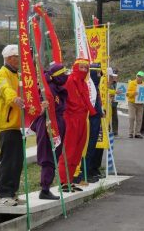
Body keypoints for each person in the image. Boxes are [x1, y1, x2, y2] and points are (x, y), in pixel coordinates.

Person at [0, 45, 25, 206]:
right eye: (18, 57)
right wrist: (14, 99)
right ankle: (3, 195)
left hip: (16, 125)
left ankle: (11, 193)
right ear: (10, 58)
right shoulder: (1, 74)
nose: (20, 60)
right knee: (9, 160)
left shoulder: (16, 75)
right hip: (6, 124)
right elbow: (6, 89)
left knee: (17, 160)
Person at [30, 63, 68, 200]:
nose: (66, 77)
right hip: (48, 124)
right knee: (48, 156)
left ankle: (47, 186)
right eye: (63, 74)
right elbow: (36, 107)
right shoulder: (46, 89)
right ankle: (45, 189)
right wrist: (42, 106)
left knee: (54, 155)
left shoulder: (58, 88)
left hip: (58, 122)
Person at [58, 59, 97, 192]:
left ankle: (70, 180)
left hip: (82, 119)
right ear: (75, 67)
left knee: (78, 151)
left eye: (86, 68)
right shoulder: (69, 81)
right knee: (69, 150)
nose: (84, 70)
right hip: (70, 119)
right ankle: (63, 181)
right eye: (81, 67)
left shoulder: (84, 84)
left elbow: (86, 101)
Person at [74, 63, 103, 184]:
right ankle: (83, 173)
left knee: (92, 148)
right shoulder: (88, 87)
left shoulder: (95, 87)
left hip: (95, 122)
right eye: (97, 73)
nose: (100, 76)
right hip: (88, 122)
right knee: (87, 148)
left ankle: (89, 171)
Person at [126, 71, 144, 139]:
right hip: (132, 103)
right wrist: (134, 93)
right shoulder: (131, 83)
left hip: (140, 103)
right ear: (136, 76)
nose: (139, 78)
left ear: (143, 77)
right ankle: (130, 133)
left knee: (139, 119)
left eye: (141, 76)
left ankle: (137, 133)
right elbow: (127, 93)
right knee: (131, 118)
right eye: (138, 76)